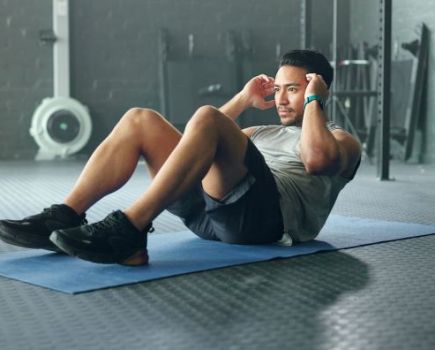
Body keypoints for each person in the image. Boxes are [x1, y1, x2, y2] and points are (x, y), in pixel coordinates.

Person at [0, 49, 361, 266]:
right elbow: (198, 140)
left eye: (293, 90)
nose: (281, 100)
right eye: (278, 90)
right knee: (140, 119)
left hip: (260, 223)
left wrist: (315, 99)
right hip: (209, 215)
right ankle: (63, 218)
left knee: (207, 116)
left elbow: (316, 161)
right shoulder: (261, 133)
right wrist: (242, 99)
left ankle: (129, 230)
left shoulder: (342, 141)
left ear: (317, 89)